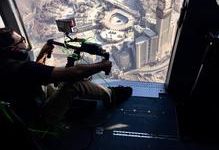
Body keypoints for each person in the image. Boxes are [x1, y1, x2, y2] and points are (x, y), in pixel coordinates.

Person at [0, 27, 132, 127]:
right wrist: (102, 65)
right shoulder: (20, 69)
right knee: (73, 84)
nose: (24, 42)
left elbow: (33, 74)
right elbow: (75, 73)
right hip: (39, 119)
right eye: (22, 41)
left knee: (58, 80)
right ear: (14, 50)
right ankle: (111, 96)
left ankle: (66, 106)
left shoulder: (6, 64)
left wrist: (43, 53)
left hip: (23, 111)